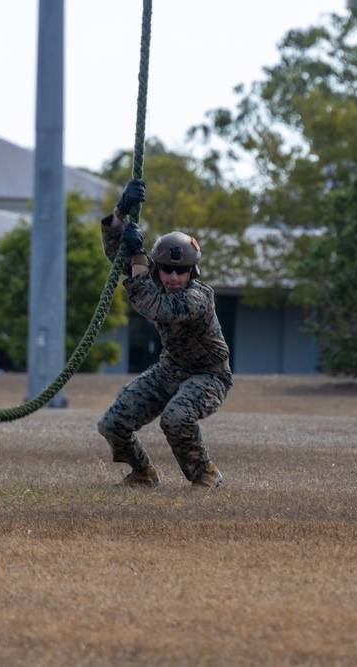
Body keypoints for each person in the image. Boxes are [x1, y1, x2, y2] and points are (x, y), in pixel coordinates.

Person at [97, 178, 232, 489]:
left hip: (208, 375)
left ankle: (205, 474)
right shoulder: (154, 278)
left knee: (176, 417)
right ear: (158, 269)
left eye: (181, 270)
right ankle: (143, 473)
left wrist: (140, 254)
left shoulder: (198, 298)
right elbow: (118, 257)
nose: (173, 276)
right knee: (113, 424)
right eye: (167, 270)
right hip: (170, 369)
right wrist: (121, 211)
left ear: (192, 272)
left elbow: (154, 306)